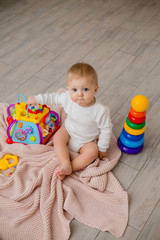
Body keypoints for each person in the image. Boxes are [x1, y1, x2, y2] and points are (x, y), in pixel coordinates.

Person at [27, 63, 112, 180]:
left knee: (93, 152)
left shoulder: (100, 110)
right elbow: (53, 97)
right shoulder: (67, 98)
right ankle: (65, 162)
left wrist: (102, 148)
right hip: (69, 131)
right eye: (74, 89)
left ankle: (70, 167)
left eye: (86, 89)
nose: (80, 94)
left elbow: (106, 130)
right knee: (57, 137)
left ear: (95, 89)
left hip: (86, 141)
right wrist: (37, 99)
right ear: (68, 89)